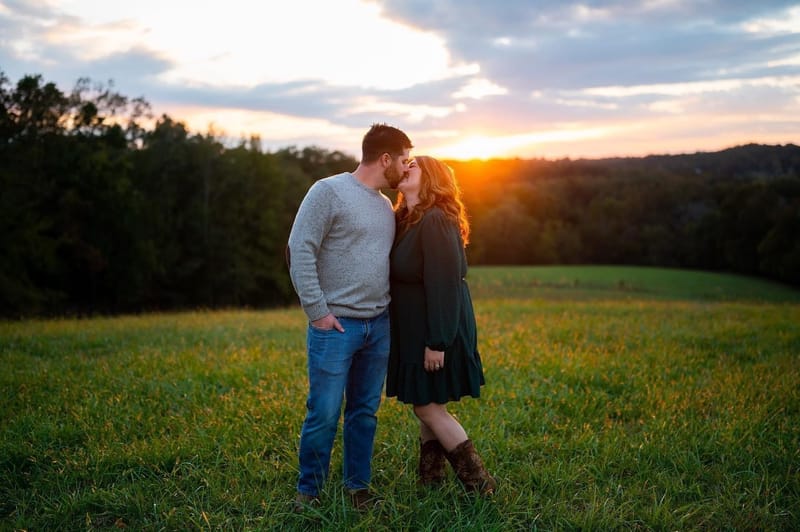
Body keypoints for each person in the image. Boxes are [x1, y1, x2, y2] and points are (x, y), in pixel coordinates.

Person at [287, 123, 413, 511]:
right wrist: (318, 312)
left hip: (378, 326)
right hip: (335, 327)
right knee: (324, 413)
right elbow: (299, 249)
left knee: (364, 413)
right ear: (386, 159)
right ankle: (309, 493)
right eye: (404, 161)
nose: (406, 169)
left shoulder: (384, 206)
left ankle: (358, 489)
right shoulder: (327, 191)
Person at [386, 155, 496, 495]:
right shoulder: (406, 218)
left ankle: (480, 484)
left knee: (426, 405)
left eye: (413, 165)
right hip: (415, 329)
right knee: (428, 400)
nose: (405, 168)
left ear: (431, 178)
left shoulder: (435, 220)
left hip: (437, 329)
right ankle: (430, 481)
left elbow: (445, 284)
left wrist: (437, 341)